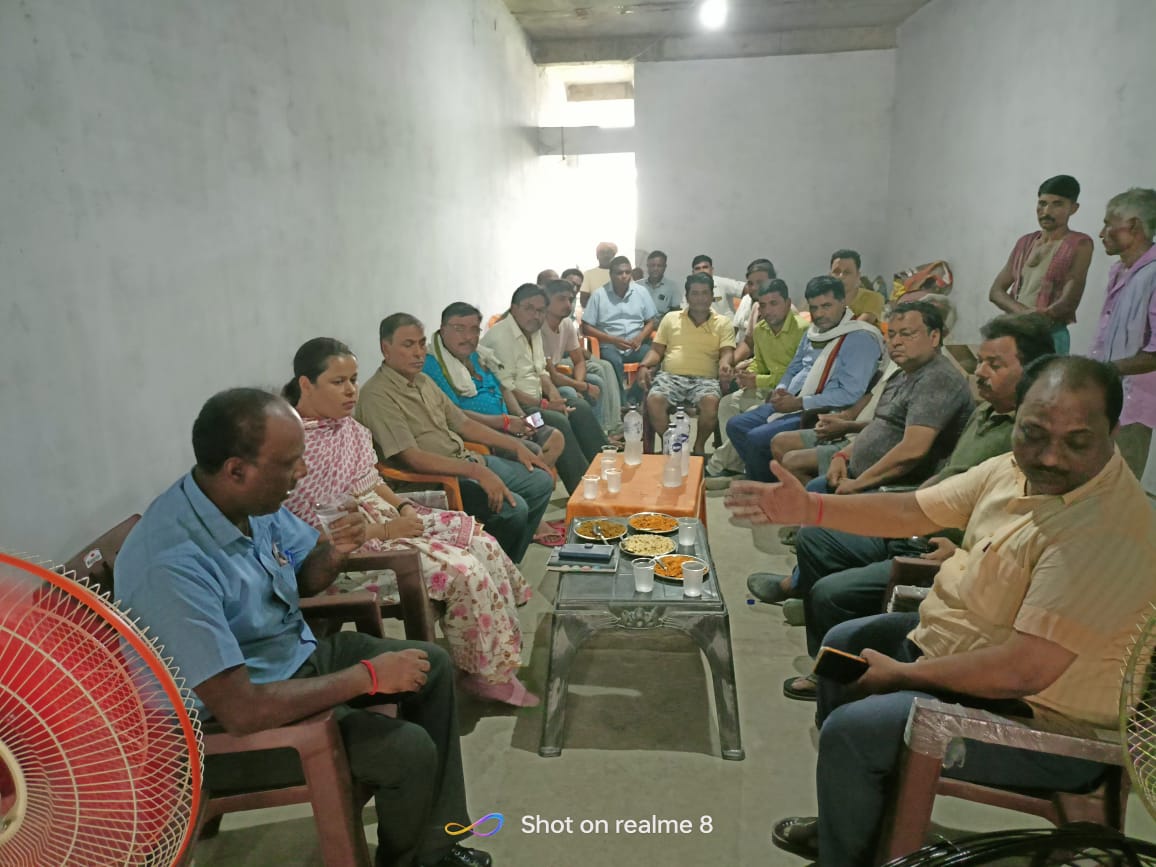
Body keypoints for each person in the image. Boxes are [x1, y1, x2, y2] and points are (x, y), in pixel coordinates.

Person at [726, 355, 1156, 867]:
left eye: (1077, 442)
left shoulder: (1107, 530)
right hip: (971, 650)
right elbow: (916, 509)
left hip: (1042, 718)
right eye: (1034, 433)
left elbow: (1023, 670)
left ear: (1113, 433)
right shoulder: (1010, 469)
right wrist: (811, 509)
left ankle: (849, 850)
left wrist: (904, 675)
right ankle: (854, 821)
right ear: (1015, 418)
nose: (1050, 456)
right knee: (844, 645)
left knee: (857, 730)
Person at [116, 389, 494, 867]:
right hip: (225, 734)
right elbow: (242, 711)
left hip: (287, 659)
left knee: (429, 665)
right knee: (406, 750)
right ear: (236, 470)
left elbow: (304, 574)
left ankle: (434, 848)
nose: (303, 472)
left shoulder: (245, 502)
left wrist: (335, 551)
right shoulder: (172, 566)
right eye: (289, 463)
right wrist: (367, 678)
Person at [761, 314, 1055, 701]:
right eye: (981, 362)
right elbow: (933, 470)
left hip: (935, 543)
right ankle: (826, 647)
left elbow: (920, 458)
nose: (979, 373)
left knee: (832, 591)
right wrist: (846, 459)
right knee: (816, 536)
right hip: (920, 516)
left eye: (994, 364)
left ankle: (847, 668)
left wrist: (960, 547)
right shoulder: (986, 412)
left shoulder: (1030, 444)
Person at [283, 338, 537, 707]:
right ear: (306, 384)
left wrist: (403, 507)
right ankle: (485, 674)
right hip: (344, 551)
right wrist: (387, 530)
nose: (351, 390)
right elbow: (311, 534)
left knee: (481, 541)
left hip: (380, 517)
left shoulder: (347, 428)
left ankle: (490, 659)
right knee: (464, 570)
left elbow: (371, 482)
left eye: (353, 379)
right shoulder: (292, 446)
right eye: (338, 382)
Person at [356, 314, 554, 564]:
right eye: (408, 345)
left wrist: (514, 444)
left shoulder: (423, 381)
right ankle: (492, 567)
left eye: (421, 343)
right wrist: (477, 472)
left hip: (465, 460)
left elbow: (463, 423)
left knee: (541, 481)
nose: (418, 352)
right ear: (386, 348)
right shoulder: (377, 395)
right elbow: (412, 458)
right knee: (514, 509)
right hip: (435, 480)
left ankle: (508, 562)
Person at [726, 275, 884, 483]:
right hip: (793, 399)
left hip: (820, 410)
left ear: (843, 302)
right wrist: (781, 389)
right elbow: (795, 366)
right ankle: (771, 478)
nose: (819, 314)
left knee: (757, 438)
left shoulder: (859, 338)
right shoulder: (814, 331)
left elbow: (850, 393)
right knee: (736, 425)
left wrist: (800, 403)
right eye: (814, 308)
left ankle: (766, 486)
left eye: (826, 306)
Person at [482, 284, 609, 492]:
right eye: (529, 309)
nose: (536, 315)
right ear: (514, 308)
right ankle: (582, 490)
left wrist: (556, 399)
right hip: (519, 412)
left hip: (539, 402)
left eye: (541, 310)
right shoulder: (501, 338)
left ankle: (606, 470)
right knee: (558, 421)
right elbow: (508, 391)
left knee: (579, 408)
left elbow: (542, 373)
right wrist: (546, 405)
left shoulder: (532, 332)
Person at [423, 302, 566, 470]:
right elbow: (453, 414)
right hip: (485, 432)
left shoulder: (477, 355)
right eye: (459, 329)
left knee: (555, 436)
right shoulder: (432, 365)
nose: (468, 337)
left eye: (474, 330)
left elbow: (503, 388)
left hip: (509, 421)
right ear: (443, 329)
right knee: (534, 451)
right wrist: (504, 422)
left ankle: (544, 475)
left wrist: (521, 417)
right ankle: (536, 479)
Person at [706, 277, 806, 485]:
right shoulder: (761, 329)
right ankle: (740, 464)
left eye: (774, 303)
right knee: (727, 403)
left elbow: (797, 373)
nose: (768, 310)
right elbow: (760, 362)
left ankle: (717, 465)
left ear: (788, 303)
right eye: (763, 305)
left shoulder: (802, 330)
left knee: (750, 414)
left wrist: (758, 380)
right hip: (766, 386)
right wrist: (746, 374)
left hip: (791, 394)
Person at [1090, 187, 1156, 479]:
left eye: (1109, 224)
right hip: (1107, 395)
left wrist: (1106, 369)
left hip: (1134, 405)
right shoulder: (1121, 270)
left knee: (1120, 484)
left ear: (1134, 227)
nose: (1101, 233)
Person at [988, 175, 1094, 355]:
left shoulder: (1079, 243)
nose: (1046, 211)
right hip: (1015, 331)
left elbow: (1069, 301)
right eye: (1042, 203)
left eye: (1057, 204)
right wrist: (1024, 314)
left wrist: (1037, 319)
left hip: (1049, 336)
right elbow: (996, 291)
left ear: (1073, 208)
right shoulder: (1025, 242)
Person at [635, 273, 736, 454]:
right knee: (654, 400)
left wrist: (725, 365)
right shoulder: (670, 318)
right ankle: (674, 444)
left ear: (711, 296)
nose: (700, 298)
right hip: (671, 377)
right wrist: (643, 366)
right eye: (695, 293)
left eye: (705, 293)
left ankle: (699, 447)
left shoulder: (723, 323)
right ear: (687, 296)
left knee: (711, 404)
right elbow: (656, 351)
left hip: (705, 379)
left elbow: (727, 352)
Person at [539, 280, 620, 433]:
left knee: (597, 381)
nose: (567, 304)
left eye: (570, 299)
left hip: (559, 374)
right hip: (544, 381)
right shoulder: (540, 328)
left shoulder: (567, 323)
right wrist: (583, 387)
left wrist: (580, 384)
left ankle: (604, 431)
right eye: (561, 299)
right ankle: (588, 436)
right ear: (547, 301)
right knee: (571, 392)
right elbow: (552, 375)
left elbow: (579, 361)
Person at [580, 255, 658, 401]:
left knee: (654, 356)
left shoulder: (641, 292)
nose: (624, 276)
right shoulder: (599, 295)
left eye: (627, 272)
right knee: (613, 361)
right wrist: (612, 340)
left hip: (635, 345)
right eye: (619, 273)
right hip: (609, 345)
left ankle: (633, 397)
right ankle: (621, 402)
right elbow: (586, 327)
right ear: (611, 275)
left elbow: (651, 321)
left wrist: (640, 338)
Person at [830, 249, 885, 325]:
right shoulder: (820, 299)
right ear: (829, 275)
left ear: (857, 276)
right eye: (836, 272)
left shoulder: (873, 298)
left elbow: (858, 327)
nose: (841, 276)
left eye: (847, 272)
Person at [642, 249, 681, 316]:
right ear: (647, 266)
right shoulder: (637, 286)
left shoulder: (672, 287)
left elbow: (676, 312)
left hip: (662, 322)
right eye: (652, 265)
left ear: (665, 267)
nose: (655, 269)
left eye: (659, 266)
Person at [578, 241, 617, 307]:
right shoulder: (588, 274)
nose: (605, 255)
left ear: (614, 256)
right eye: (602, 252)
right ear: (597, 256)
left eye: (609, 252)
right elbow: (583, 301)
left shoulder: (623, 274)